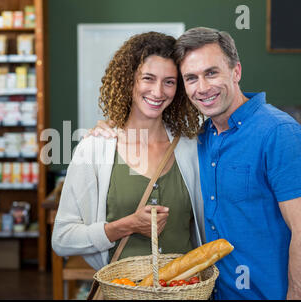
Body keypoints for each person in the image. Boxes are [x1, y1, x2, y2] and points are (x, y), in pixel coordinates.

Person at [90, 27, 301, 300]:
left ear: (236, 72)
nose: (203, 88)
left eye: (211, 73)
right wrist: (113, 128)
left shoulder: (280, 133)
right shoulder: (200, 138)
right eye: (191, 78)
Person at [51, 32, 206, 272]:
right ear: (129, 80)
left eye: (169, 81)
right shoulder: (94, 149)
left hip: (186, 291)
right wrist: (125, 226)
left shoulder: (192, 148)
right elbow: (62, 239)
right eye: (148, 78)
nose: (158, 91)